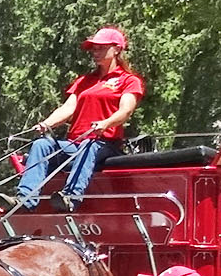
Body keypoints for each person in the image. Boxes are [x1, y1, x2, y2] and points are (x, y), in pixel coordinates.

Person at [14, 26, 144, 211]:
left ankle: (70, 197)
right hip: (75, 145)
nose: (95, 52)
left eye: (100, 47)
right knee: (41, 145)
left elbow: (125, 111)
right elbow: (68, 108)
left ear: (116, 49)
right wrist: (46, 124)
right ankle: (25, 200)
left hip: (105, 145)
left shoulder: (129, 80)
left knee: (89, 145)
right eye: (93, 48)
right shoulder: (85, 81)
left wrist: (105, 123)